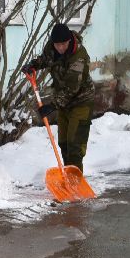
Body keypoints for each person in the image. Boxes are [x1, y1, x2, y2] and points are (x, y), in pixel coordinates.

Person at [23, 21, 96, 171]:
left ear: (69, 40)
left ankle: (76, 182)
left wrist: (51, 106)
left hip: (81, 101)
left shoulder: (79, 57)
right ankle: (67, 175)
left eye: (64, 44)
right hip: (63, 102)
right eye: (57, 44)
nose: (61, 48)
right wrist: (33, 65)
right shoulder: (52, 47)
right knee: (63, 143)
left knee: (75, 145)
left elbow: (72, 89)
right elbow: (46, 59)